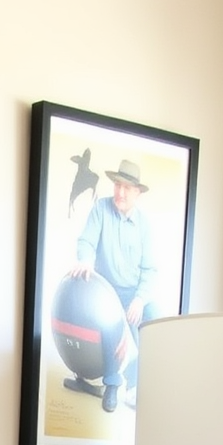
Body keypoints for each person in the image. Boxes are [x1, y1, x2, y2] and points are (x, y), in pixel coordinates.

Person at [71, 157, 159, 412]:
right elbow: (86, 241)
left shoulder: (145, 225)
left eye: (126, 188)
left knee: (156, 327)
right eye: (117, 185)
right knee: (110, 328)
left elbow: (151, 269)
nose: (120, 192)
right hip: (106, 290)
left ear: (137, 192)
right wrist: (86, 260)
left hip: (135, 291)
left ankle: (138, 386)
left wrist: (140, 300)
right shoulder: (101, 208)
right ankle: (112, 384)